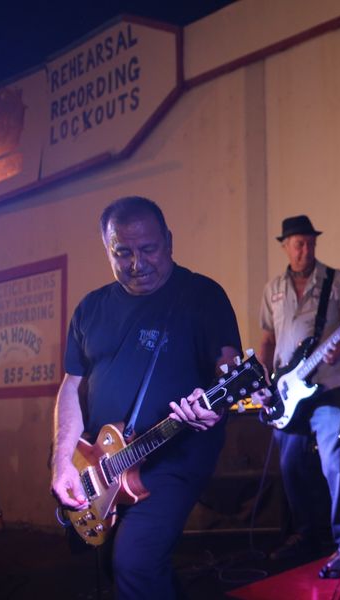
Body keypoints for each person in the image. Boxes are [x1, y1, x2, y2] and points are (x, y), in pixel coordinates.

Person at [49, 196, 242, 599]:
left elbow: (229, 369)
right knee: (121, 566)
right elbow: (71, 385)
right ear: (107, 249)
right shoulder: (89, 309)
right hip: (102, 461)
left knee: (134, 560)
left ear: (169, 241)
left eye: (148, 249)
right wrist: (63, 459)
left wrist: (216, 407)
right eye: (123, 252)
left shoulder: (201, 295)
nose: (137, 263)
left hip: (172, 456)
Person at [258, 215, 340, 563]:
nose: (306, 250)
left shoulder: (337, 281)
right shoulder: (272, 289)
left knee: (336, 462)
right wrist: (263, 383)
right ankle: (306, 535)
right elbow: (268, 339)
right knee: (291, 467)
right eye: (299, 244)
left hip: (328, 386)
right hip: (287, 393)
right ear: (285, 247)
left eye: (310, 243)